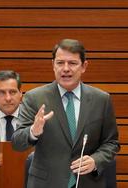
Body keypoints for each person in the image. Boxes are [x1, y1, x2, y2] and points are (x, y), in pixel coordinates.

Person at [12, 39, 120, 188]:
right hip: (46, 183)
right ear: (53, 65)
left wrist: (96, 160)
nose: (66, 68)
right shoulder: (34, 98)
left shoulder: (101, 100)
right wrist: (33, 132)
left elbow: (111, 142)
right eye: (60, 63)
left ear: (84, 66)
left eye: (72, 63)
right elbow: (17, 143)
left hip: (88, 182)